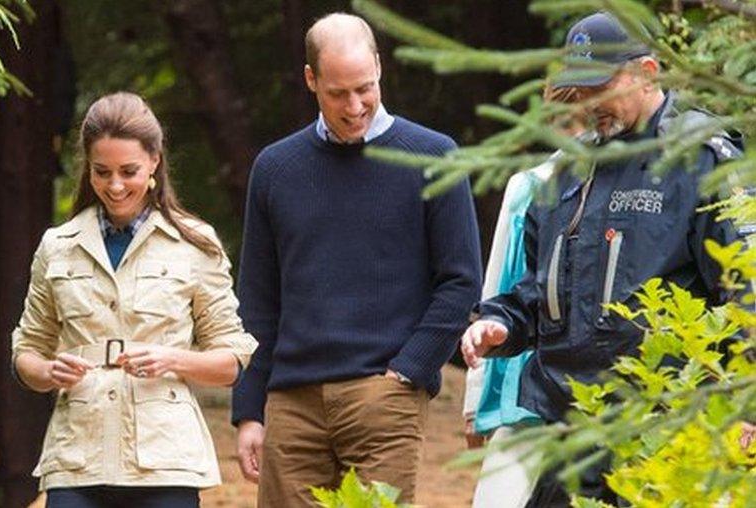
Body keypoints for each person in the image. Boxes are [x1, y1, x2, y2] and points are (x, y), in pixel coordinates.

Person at [460, 12, 744, 506]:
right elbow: (540, 289)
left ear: (649, 73)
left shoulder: (703, 158)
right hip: (565, 431)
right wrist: (501, 324)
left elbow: (746, 290)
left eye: (600, 87)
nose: (588, 104)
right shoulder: (568, 172)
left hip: (664, 432)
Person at [231, 12, 483, 506]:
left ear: (380, 70)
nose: (354, 106)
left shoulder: (434, 157)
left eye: (365, 89)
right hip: (292, 400)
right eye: (337, 93)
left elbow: (460, 282)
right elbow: (257, 300)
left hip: (383, 394)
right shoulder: (275, 169)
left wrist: (408, 371)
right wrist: (249, 411)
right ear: (311, 81)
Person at [11, 92, 257, 508]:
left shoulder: (195, 244)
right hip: (76, 457)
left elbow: (231, 359)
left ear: (155, 162)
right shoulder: (57, 246)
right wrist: (50, 371)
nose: (115, 185)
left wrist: (172, 359)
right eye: (101, 172)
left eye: (129, 171)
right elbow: (26, 352)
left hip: (165, 458)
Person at [463, 85, 587, 508]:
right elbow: (496, 287)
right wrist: (472, 399)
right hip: (518, 389)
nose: (577, 133)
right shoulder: (528, 188)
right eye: (566, 122)